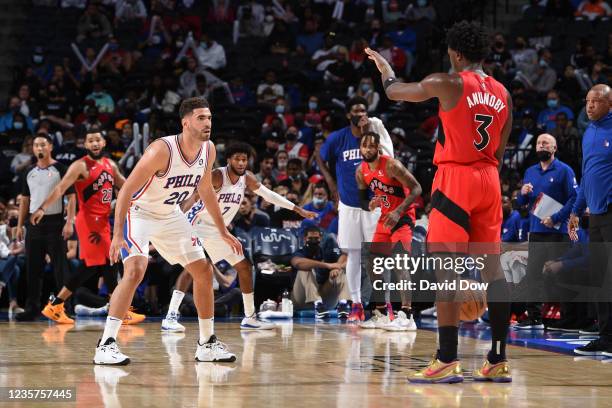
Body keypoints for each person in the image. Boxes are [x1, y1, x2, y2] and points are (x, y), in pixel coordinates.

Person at [366, 20, 513, 383]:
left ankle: (447, 358)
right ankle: (497, 359)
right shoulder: (504, 93)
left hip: (456, 178)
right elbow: (501, 147)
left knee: (446, 270)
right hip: (490, 178)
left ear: (457, 53)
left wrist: (386, 72)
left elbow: (395, 93)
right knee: (493, 270)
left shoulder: (447, 82)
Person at [94, 97, 242, 365]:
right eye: (201, 118)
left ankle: (207, 344)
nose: (207, 123)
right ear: (185, 122)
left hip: (170, 214)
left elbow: (205, 190)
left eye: (209, 117)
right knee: (136, 270)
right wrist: (117, 234)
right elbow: (126, 190)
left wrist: (223, 231)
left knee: (203, 270)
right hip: (138, 211)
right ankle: (106, 344)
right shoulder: (161, 150)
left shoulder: (208, 150)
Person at [164, 142, 315, 332]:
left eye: (244, 159)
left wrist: (296, 209)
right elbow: (195, 196)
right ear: (228, 160)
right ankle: (171, 316)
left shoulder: (247, 179)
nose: (242, 162)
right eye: (237, 159)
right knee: (193, 270)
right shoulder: (218, 176)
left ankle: (250, 317)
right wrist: (180, 220)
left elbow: (269, 195)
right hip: (197, 225)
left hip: (219, 230)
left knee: (244, 267)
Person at [29, 132, 141, 325]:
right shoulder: (80, 165)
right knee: (109, 262)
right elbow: (61, 188)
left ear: (104, 142)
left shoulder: (110, 164)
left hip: (104, 221)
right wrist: (42, 208)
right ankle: (120, 311)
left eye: (98, 140)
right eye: (90, 140)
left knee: (95, 266)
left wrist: (148, 192)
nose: (95, 143)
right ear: (86, 144)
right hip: (89, 221)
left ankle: (56, 305)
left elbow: (126, 185)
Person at [316, 96, 394, 322]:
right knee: (352, 254)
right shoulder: (338, 138)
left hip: (374, 204)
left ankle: (384, 304)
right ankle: (356, 305)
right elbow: (320, 156)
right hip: (349, 205)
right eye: (356, 110)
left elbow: (390, 160)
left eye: (363, 110)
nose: (360, 114)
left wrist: (375, 128)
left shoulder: (376, 136)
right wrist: (331, 184)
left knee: (377, 256)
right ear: (349, 114)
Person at [356, 131, 420, 332]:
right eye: (364, 146)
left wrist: (399, 210)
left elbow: (417, 188)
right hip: (385, 219)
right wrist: (371, 204)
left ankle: (407, 316)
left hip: (403, 217)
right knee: (372, 263)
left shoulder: (392, 165)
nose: (367, 149)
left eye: (371, 146)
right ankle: (381, 314)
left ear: (378, 148)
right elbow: (363, 202)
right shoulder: (361, 172)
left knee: (399, 263)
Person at [514, 134, 577, 329]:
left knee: (561, 274)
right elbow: (521, 204)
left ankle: (568, 319)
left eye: (545, 143)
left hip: (558, 231)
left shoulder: (564, 170)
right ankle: (534, 317)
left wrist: (556, 217)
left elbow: (574, 198)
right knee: (533, 274)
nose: (541, 145)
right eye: (539, 143)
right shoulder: (530, 171)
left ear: (554, 148)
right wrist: (522, 194)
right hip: (537, 230)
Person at [569, 84, 612, 356]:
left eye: (596, 101)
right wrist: (575, 210)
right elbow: (585, 176)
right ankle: (606, 337)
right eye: (587, 101)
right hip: (594, 216)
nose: (590, 106)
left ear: (609, 104)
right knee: (599, 279)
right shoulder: (588, 133)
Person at [15, 134, 76, 322]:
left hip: (55, 222)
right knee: (33, 268)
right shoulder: (28, 172)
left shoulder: (60, 169)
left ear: (50, 146)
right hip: (34, 224)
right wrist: (19, 225)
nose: (39, 148)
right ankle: (32, 307)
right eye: (36, 145)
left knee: (60, 268)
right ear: (33, 149)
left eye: (43, 144)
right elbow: (25, 201)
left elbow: (72, 197)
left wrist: (69, 222)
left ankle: (64, 307)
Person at [290, 226, 350, 318]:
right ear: (305, 239)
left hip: (325, 298)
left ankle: (343, 305)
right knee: (304, 270)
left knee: (341, 272)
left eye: (316, 238)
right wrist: (328, 265)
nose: (313, 241)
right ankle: (318, 304)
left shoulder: (326, 252)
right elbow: (298, 263)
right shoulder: (300, 252)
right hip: (301, 299)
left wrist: (337, 267)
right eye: (310, 238)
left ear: (320, 238)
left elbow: (345, 256)